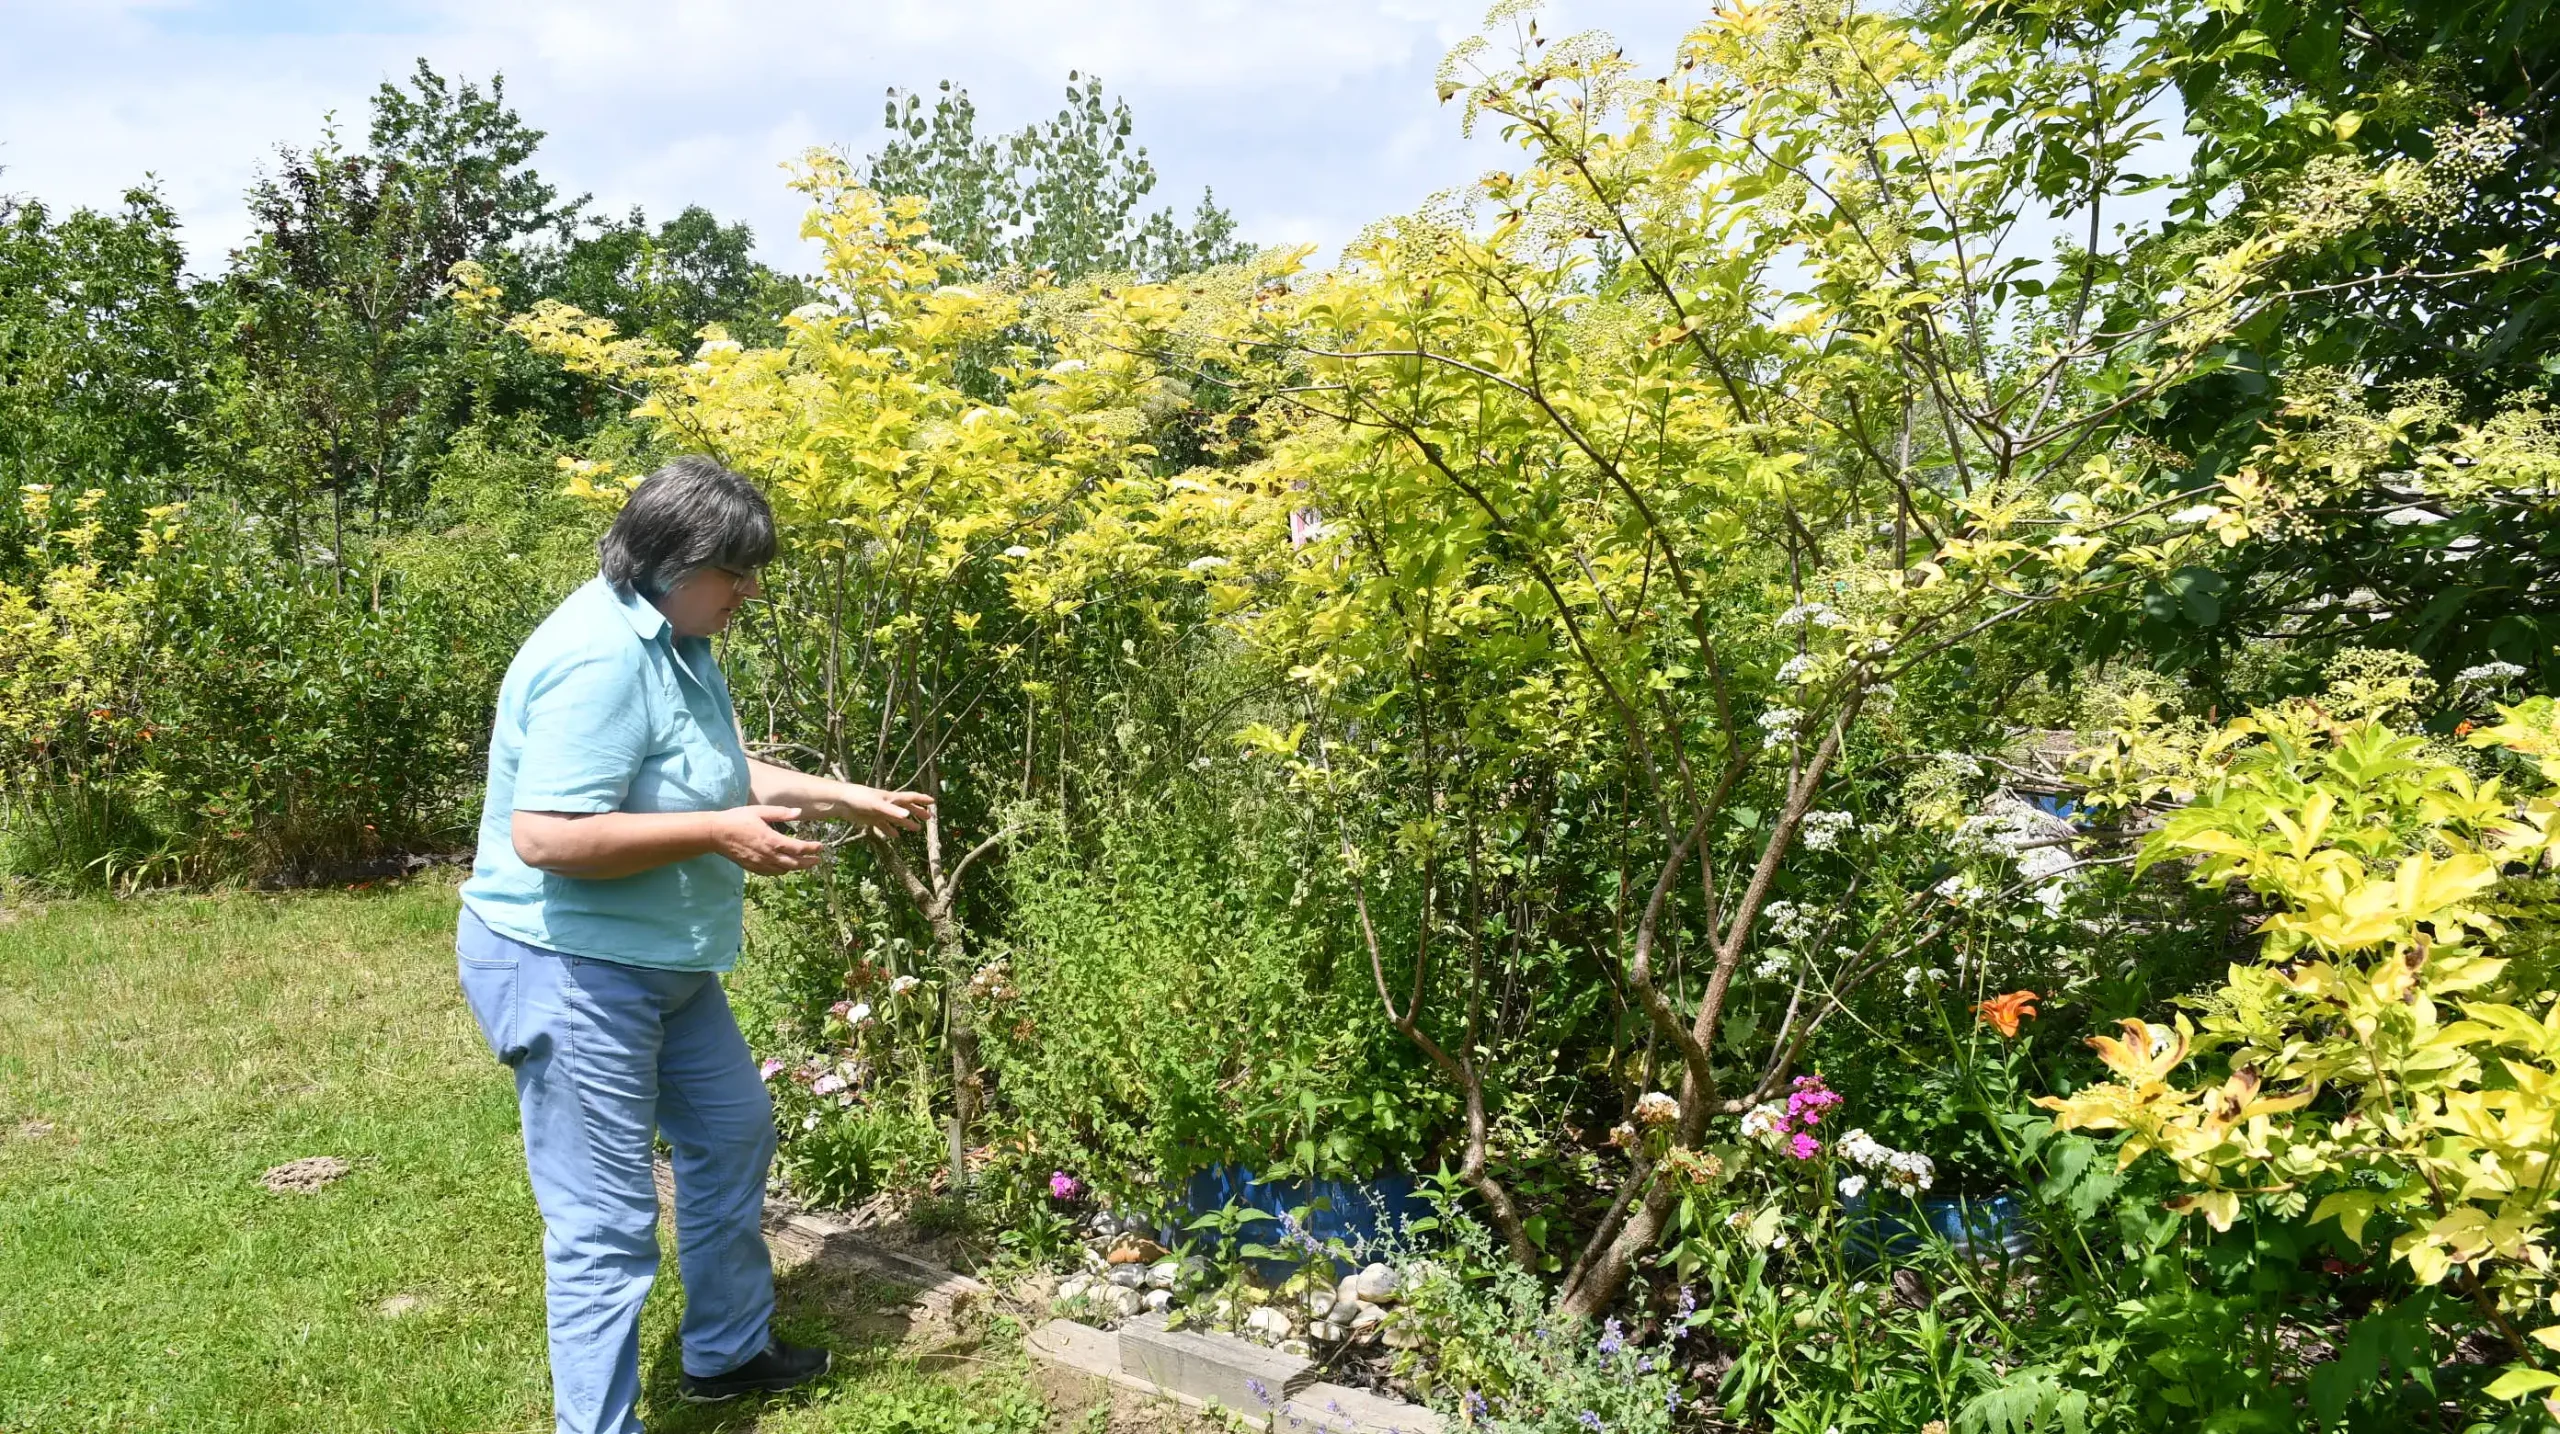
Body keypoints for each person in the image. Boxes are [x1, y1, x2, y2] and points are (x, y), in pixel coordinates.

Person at [453, 456, 932, 1434]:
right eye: (738, 572)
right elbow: (547, 836)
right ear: (676, 562)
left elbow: (704, 770)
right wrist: (716, 834)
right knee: (605, 1227)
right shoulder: (598, 658)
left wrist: (838, 795)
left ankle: (725, 1354)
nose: (750, 592)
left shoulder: (672, 637)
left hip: (660, 965)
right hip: (571, 968)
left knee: (730, 1131)